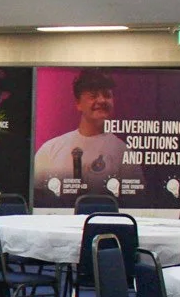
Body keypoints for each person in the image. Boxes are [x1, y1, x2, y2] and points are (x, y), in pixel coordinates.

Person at [31, 69, 137, 202]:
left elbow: (136, 201)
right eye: (93, 96)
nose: (101, 100)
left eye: (107, 95)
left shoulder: (123, 152)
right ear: (78, 103)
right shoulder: (50, 149)